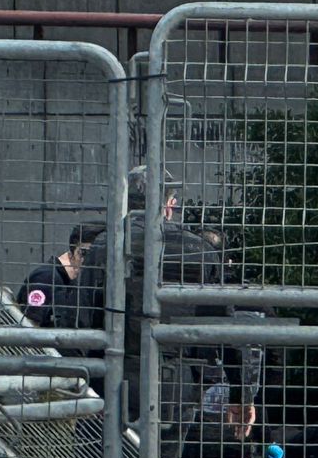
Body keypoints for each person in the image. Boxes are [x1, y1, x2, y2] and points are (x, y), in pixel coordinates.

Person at [57, 167, 234, 435]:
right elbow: (223, 326)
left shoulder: (107, 245)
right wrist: (240, 391)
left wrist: (80, 380)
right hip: (175, 381)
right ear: (169, 204)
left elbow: (77, 317)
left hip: (114, 376)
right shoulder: (199, 250)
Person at [18, 222, 99, 329]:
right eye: (83, 253)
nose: (88, 260)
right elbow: (30, 325)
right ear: (72, 254)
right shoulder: (47, 278)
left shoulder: (72, 281)